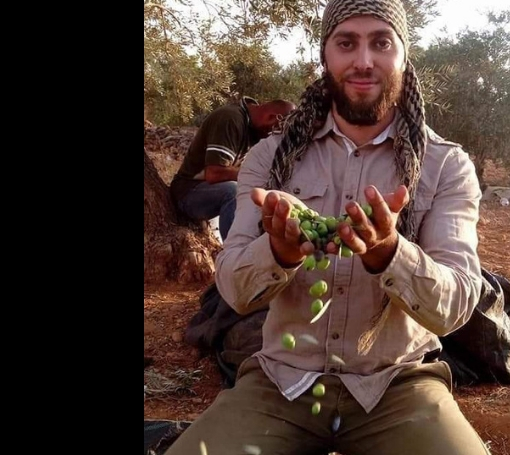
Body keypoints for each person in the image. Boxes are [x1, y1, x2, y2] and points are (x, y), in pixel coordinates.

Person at [165, 0, 489, 453]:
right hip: (281, 382)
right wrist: (278, 253)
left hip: (397, 385)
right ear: (325, 55)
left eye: (381, 43)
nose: (363, 60)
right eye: (346, 43)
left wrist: (390, 253)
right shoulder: (269, 157)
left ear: (403, 54)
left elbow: (455, 307)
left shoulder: (446, 165)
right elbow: (234, 290)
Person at [169, 96, 296, 241]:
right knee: (233, 192)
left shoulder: (252, 131)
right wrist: (254, 176)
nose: (274, 137)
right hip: (188, 192)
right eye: (277, 131)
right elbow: (214, 174)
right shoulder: (231, 119)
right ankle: (235, 249)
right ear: (271, 117)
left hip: (207, 192)